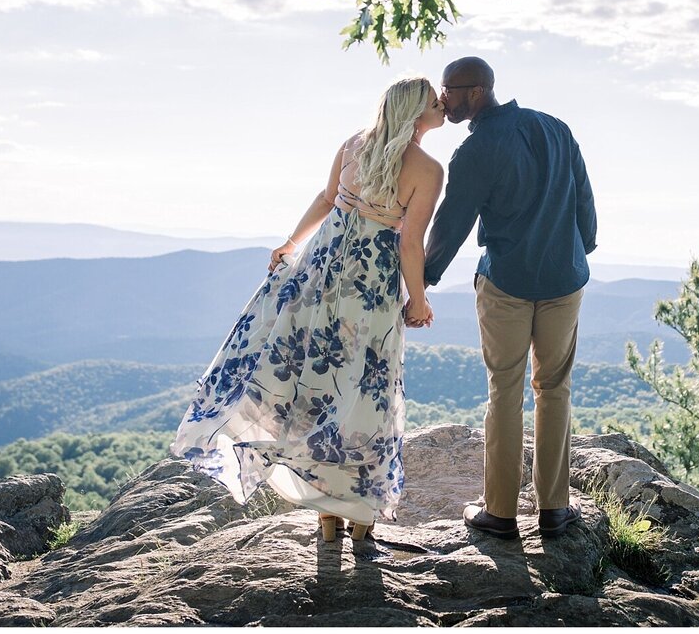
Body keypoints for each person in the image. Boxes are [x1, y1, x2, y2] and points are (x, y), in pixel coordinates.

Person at [171, 76, 445, 543]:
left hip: (320, 268)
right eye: (436, 102)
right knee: (364, 386)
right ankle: (359, 518)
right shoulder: (428, 169)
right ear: (419, 114)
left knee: (312, 381)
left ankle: (326, 518)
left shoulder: (354, 143)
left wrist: (292, 242)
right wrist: (417, 298)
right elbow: (410, 241)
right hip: (369, 284)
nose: (443, 107)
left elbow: (326, 199)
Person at [422, 56, 597, 540]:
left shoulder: (477, 150)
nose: (443, 100)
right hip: (565, 280)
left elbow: (451, 223)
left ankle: (500, 513)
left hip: (507, 285)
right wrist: (579, 250)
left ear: (475, 92)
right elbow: (584, 199)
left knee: (506, 389)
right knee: (554, 388)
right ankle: (555, 510)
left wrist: (422, 281)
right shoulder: (556, 129)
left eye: (449, 91)